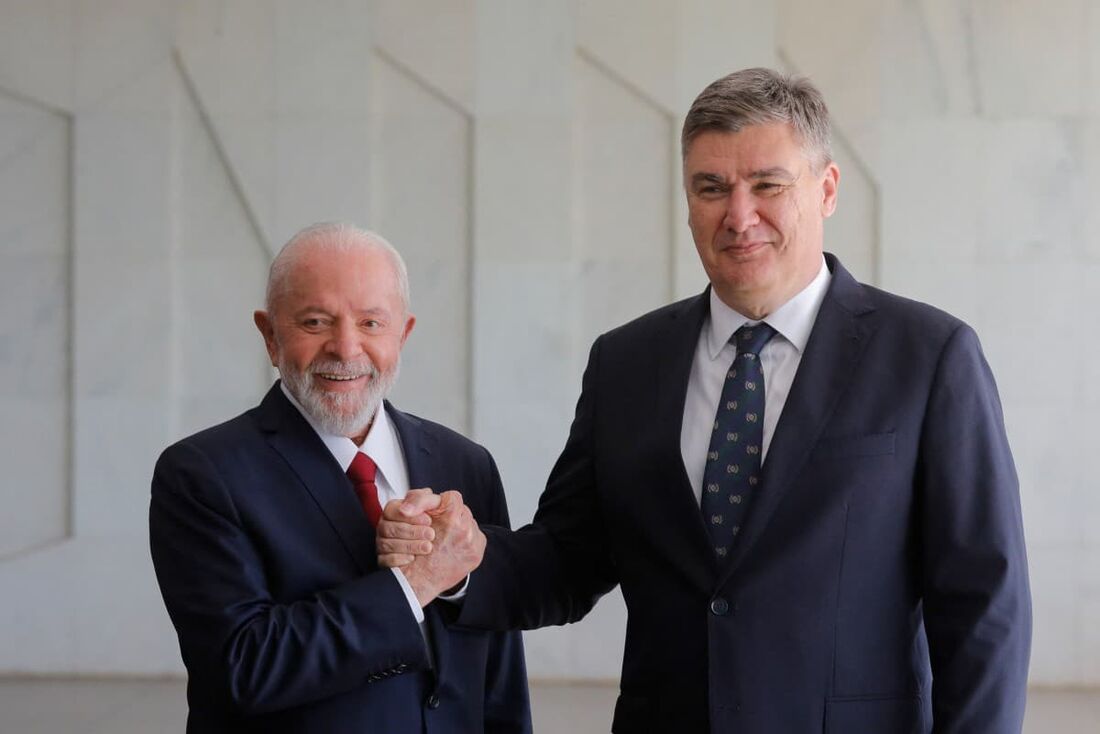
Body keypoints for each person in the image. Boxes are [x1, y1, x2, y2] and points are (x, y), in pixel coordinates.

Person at [378, 68, 1031, 733]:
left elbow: (984, 604)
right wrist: (459, 559)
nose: (738, 216)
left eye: (768, 185)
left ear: (827, 188)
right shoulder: (626, 363)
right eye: (711, 187)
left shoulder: (928, 356)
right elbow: (567, 562)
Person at [149, 223, 531, 733]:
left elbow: (499, 674)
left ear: (404, 333)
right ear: (269, 334)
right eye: (315, 321)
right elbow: (242, 669)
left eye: (372, 323)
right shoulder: (202, 474)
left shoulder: (465, 465)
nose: (346, 348)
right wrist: (413, 583)